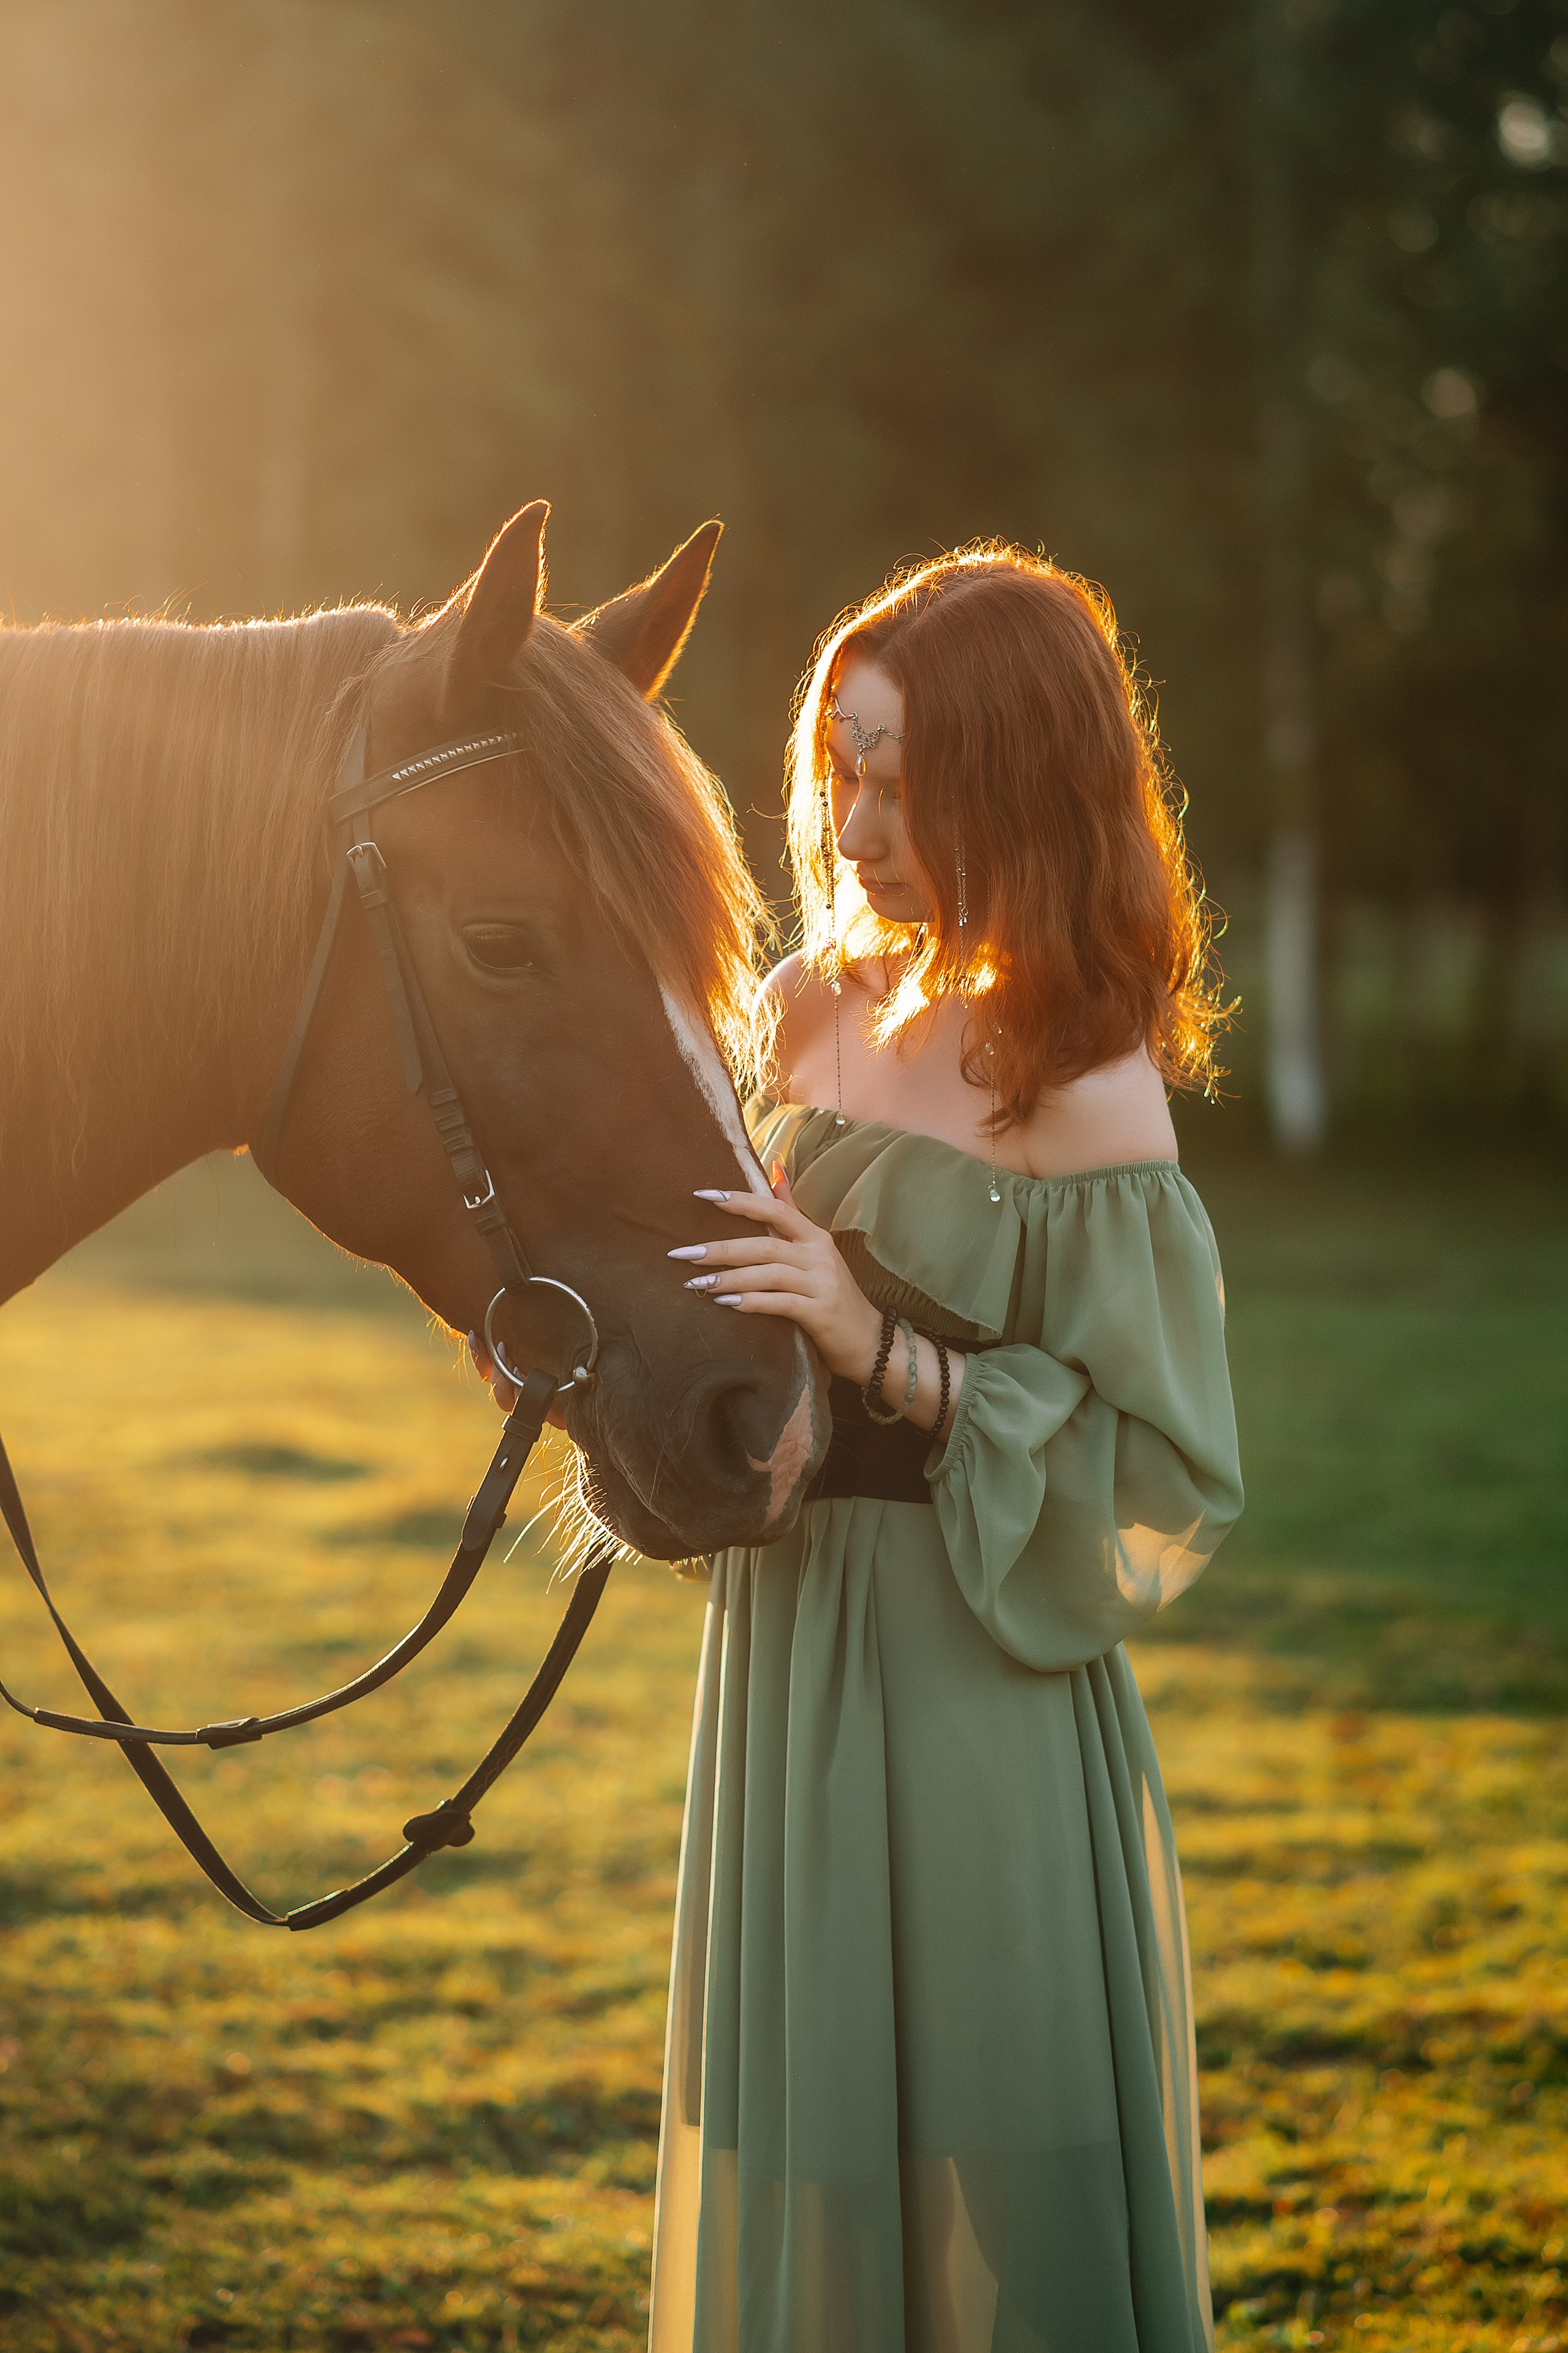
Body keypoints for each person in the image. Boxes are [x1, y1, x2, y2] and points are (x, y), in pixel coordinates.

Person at [648, 544, 1243, 2353]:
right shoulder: (801, 1011)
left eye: (908, 781)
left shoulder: (1083, 1084)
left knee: (1011, 2172)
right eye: (848, 771)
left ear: (1024, 781)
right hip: (788, 1645)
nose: (862, 823)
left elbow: (1161, 1482)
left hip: (978, 1662)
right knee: (804, 2152)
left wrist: (885, 1350)